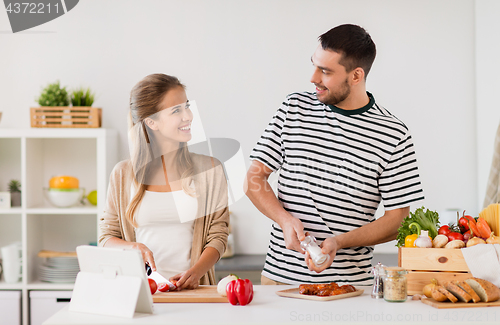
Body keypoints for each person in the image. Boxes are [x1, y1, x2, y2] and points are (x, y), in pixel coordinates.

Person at [245, 24, 424, 286]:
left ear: (356, 75)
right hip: (279, 284)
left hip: (348, 289)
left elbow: (398, 220)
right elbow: (254, 179)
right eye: (315, 65)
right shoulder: (293, 108)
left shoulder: (393, 133)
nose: (313, 78)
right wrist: (284, 220)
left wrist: (338, 242)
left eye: (325, 71)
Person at [99, 74, 229, 290]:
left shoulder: (211, 170)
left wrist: (196, 271)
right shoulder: (122, 174)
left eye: (187, 107)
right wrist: (132, 247)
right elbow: (106, 237)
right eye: (177, 110)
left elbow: (218, 234)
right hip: (139, 292)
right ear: (152, 122)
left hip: (194, 294)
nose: (188, 116)